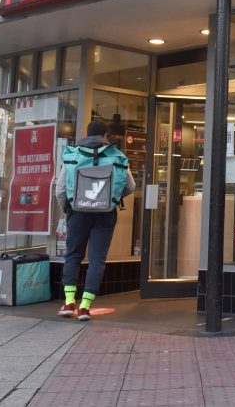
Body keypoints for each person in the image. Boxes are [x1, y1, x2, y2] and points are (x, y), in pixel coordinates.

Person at [55, 119, 135, 321]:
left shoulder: (73, 155)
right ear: (105, 136)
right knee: (97, 260)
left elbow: (60, 189)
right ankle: (85, 306)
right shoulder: (117, 156)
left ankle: (69, 302)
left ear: (86, 133)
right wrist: (111, 197)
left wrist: (67, 209)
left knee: (73, 256)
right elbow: (131, 186)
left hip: (78, 212)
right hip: (105, 213)